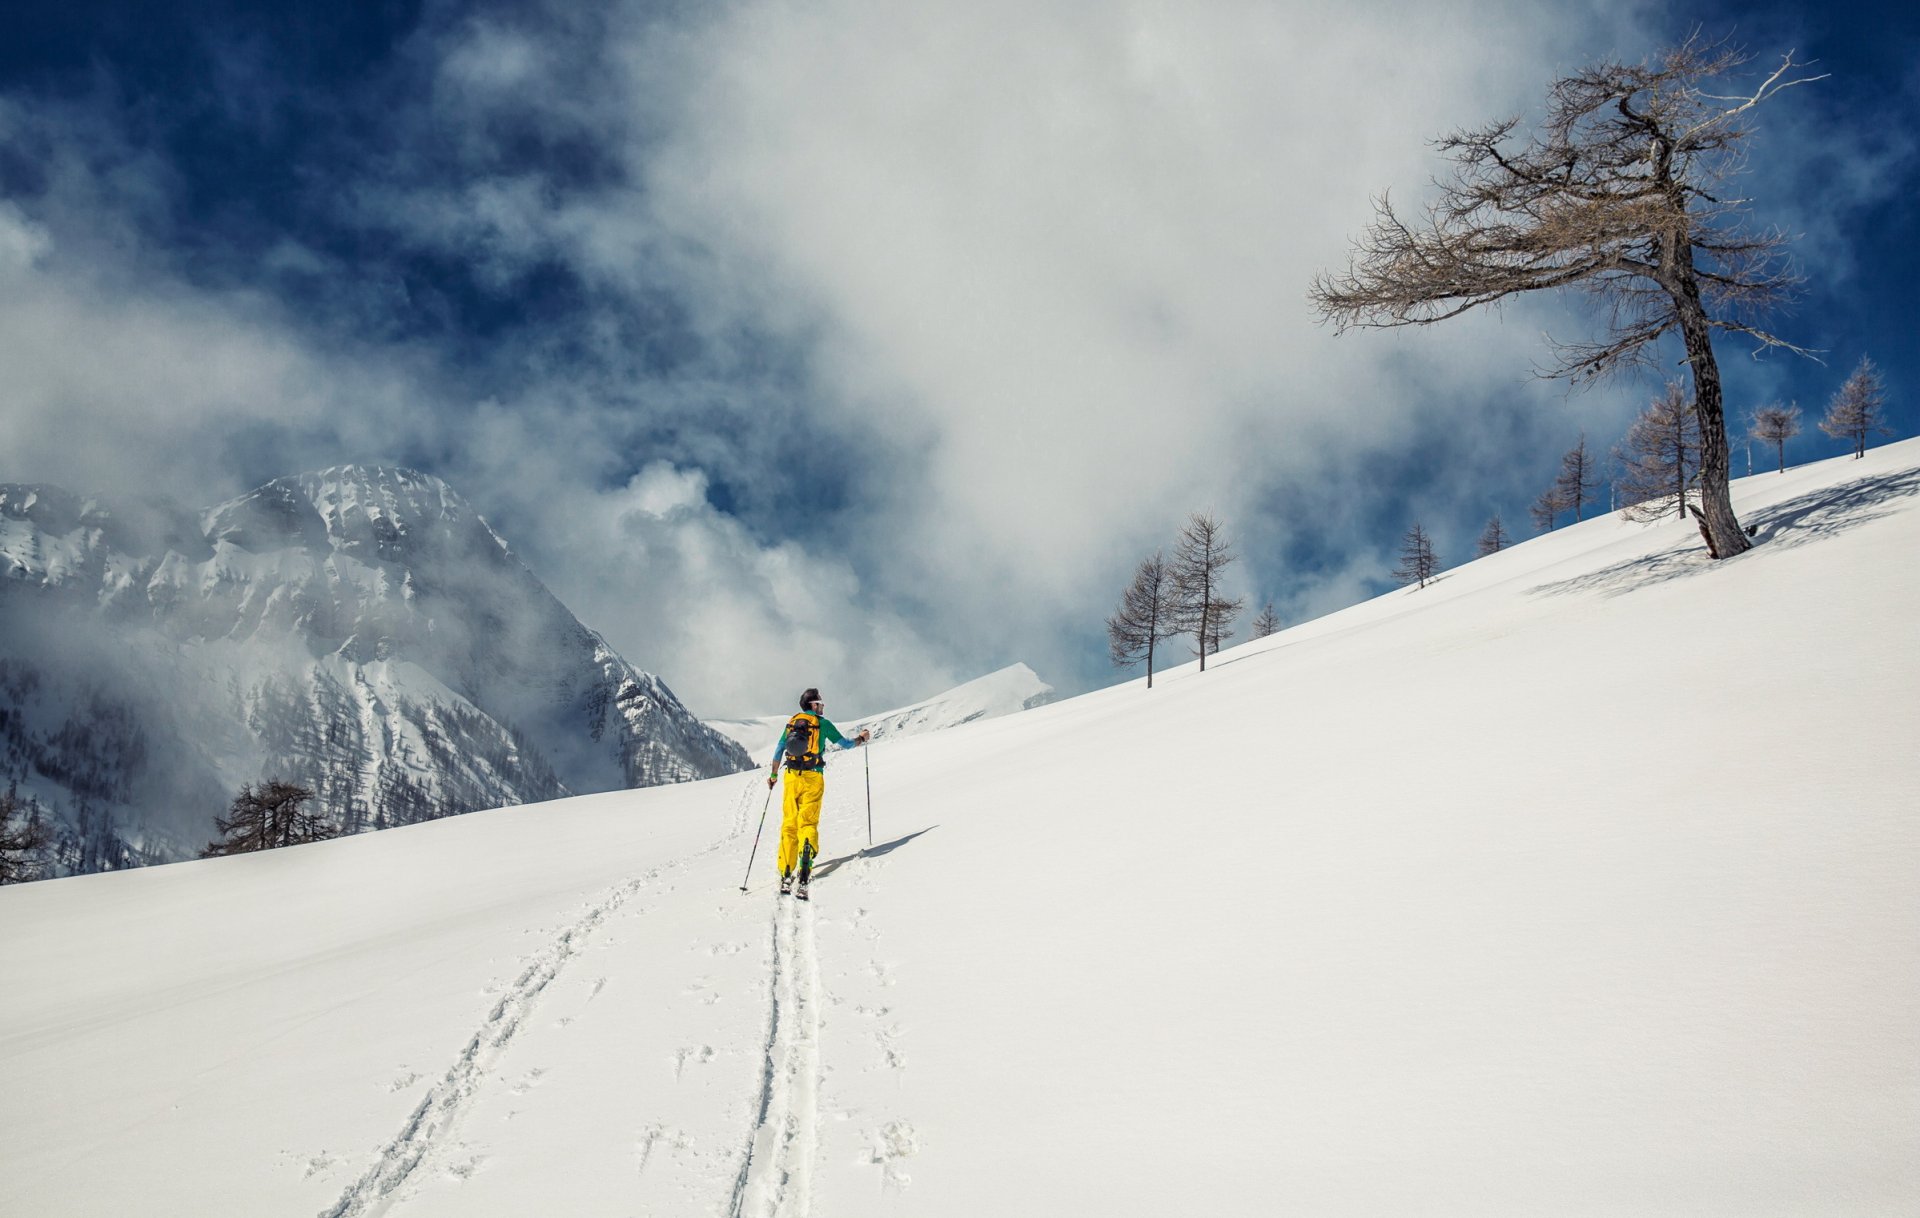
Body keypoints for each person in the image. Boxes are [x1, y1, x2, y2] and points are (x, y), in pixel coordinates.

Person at [767, 687, 869, 898]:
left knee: (789, 824)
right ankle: (806, 859)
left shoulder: (793, 723)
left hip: (792, 777)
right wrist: (861, 738)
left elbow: (779, 750)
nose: (822, 707)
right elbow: (846, 744)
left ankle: (786, 869)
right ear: (812, 704)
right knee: (808, 822)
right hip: (814, 776)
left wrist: (774, 776)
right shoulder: (823, 724)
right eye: (820, 703)